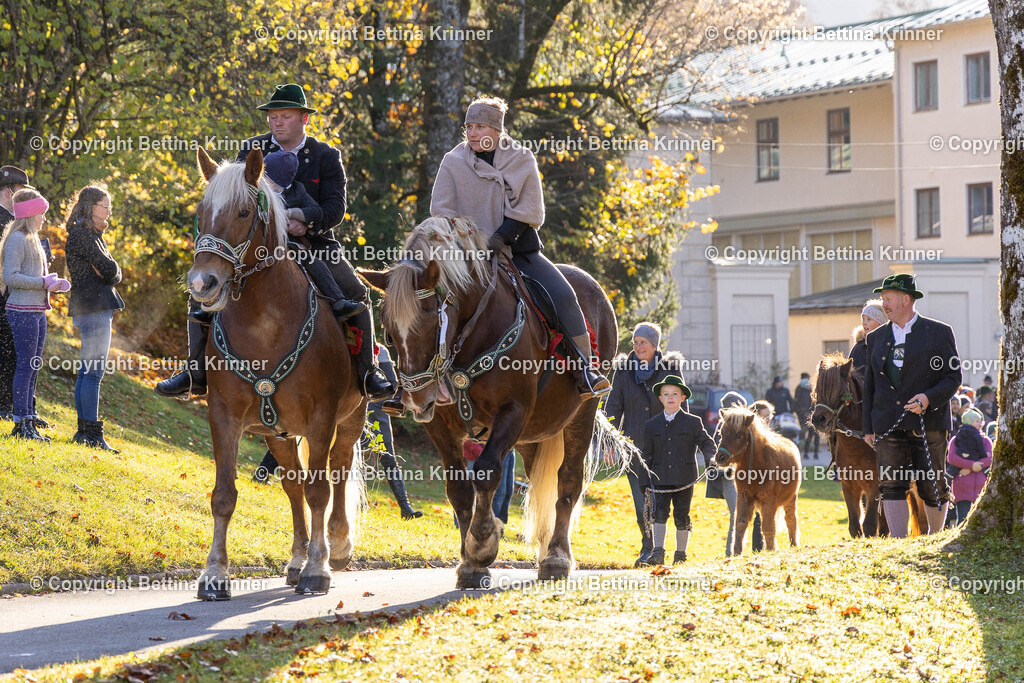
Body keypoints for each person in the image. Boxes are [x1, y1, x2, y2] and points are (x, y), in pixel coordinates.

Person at [156, 83, 392, 401]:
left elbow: (335, 210)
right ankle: (195, 372)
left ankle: (367, 373)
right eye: (273, 116)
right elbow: (231, 200)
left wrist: (302, 219)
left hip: (314, 242)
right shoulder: (251, 148)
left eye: (285, 116)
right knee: (202, 290)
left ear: (304, 119)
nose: (277, 122)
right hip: (254, 245)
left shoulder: (326, 156)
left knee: (355, 290)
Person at [430, 96, 609, 398]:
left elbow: (529, 212)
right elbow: (442, 210)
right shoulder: (453, 161)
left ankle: (585, 368)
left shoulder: (521, 158)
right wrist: (471, 240)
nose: (473, 133)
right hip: (465, 255)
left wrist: (498, 239)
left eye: (480, 127)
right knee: (423, 298)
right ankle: (419, 381)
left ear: (497, 130)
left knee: (564, 295)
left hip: (518, 251)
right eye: (469, 127)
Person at [863, 273, 961, 537]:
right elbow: (869, 385)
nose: (883, 304)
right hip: (887, 421)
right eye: (882, 299)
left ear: (906, 299)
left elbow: (953, 376)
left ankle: (934, 538)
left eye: (888, 299)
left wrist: (928, 398)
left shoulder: (939, 332)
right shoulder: (875, 338)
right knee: (891, 483)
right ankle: (898, 541)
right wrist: (868, 428)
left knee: (932, 484)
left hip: (928, 422)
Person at [602, 322, 688, 566]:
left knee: (661, 502)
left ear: (654, 345)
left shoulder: (670, 368)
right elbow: (613, 408)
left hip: (666, 448)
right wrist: (610, 442)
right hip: (635, 449)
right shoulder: (623, 370)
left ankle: (660, 550)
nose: (638, 347)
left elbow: (683, 405)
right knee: (642, 504)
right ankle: (648, 547)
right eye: (636, 342)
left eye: (643, 343)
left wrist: (685, 440)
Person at [0, 189, 70, 441]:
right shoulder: (18, 239)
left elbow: (35, 277)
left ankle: (28, 417)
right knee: (25, 366)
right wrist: (43, 282)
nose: (44, 218)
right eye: (41, 213)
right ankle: (21, 423)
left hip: (36, 311)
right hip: (22, 311)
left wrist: (54, 284)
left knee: (33, 365)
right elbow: (10, 277)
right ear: (30, 213)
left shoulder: (33, 238)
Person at [64, 186, 124, 452]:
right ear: (91, 207)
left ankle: (85, 431)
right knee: (93, 373)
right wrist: (109, 270)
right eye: (105, 206)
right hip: (93, 308)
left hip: (93, 307)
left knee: (88, 372)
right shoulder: (83, 236)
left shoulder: (92, 235)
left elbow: (112, 272)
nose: (109, 211)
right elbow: (111, 268)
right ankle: (90, 433)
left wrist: (110, 271)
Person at [638, 376, 716, 565]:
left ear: (683, 398)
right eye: (666, 394)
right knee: (659, 513)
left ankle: (680, 555)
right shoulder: (651, 425)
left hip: (684, 479)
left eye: (674, 394)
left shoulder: (693, 422)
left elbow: (706, 443)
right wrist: (643, 480)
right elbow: (645, 454)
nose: (670, 397)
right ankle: (657, 552)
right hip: (659, 479)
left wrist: (710, 458)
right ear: (661, 398)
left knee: (682, 515)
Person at [359, 346, 422, 519]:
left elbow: (393, 388)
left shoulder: (381, 351)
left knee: (384, 457)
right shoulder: (375, 350)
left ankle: (404, 505)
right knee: (361, 456)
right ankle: (361, 501)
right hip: (363, 411)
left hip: (374, 412)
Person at [0, 166, 33, 422]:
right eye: (21, 193)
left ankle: (16, 404)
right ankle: (4, 403)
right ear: (9, 191)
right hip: (4, 292)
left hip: (14, 294)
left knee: (14, 350)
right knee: (5, 349)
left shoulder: (16, 222)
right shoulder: (4, 220)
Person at [945, 408, 992, 526]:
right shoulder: (956, 440)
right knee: (962, 517)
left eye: (980, 421)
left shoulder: (986, 440)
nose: (981, 423)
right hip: (962, 486)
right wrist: (972, 465)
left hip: (980, 486)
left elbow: (990, 458)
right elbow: (951, 458)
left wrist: (971, 467)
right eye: (977, 421)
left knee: (982, 519)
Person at [850, 299, 885, 375]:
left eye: (869, 319)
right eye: (863, 319)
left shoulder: (889, 344)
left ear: (880, 323)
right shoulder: (859, 347)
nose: (864, 323)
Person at [794, 372, 819, 456]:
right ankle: (805, 452)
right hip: (804, 415)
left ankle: (814, 452)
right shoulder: (800, 389)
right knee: (806, 433)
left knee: (814, 434)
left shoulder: (811, 389)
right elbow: (797, 403)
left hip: (812, 414)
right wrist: (801, 414)